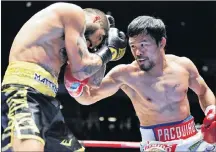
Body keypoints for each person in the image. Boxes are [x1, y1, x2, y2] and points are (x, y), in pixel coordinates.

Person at [65, 15, 216, 151]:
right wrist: (73, 87)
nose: (138, 52)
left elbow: (203, 91)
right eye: (133, 46)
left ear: (161, 43)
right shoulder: (126, 74)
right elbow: (89, 97)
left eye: (143, 45)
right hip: (157, 146)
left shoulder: (183, 65)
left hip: (193, 139)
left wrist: (211, 110)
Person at [1, 2, 127, 152]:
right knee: (29, 145)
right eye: (99, 38)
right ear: (95, 20)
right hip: (24, 90)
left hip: (47, 101)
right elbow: (82, 69)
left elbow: (93, 82)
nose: (93, 46)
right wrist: (108, 52)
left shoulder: (70, 46)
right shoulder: (73, 13)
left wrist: (104, 49)